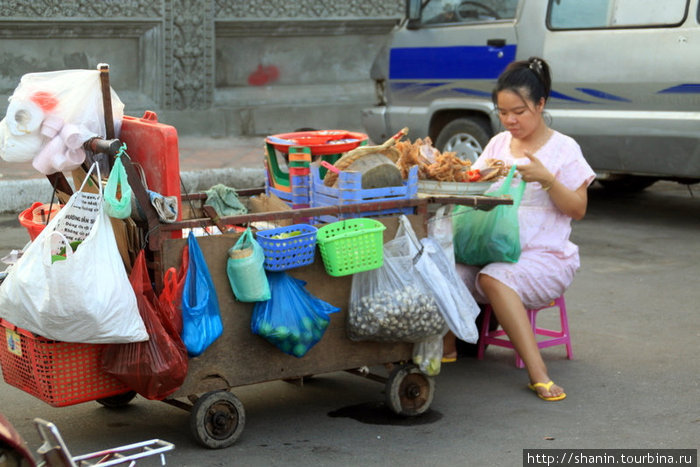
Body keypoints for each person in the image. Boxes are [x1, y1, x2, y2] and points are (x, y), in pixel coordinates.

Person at [443, 57, 596, 401]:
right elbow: (472, 188)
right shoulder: (498, 144)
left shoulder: (564, 148)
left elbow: (579, 209)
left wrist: (548, 179)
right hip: (491, 250)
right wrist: (472, 177)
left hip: (544, 259)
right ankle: (446, 345)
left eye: (519, 112)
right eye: (503, 112)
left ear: (541, 104)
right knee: (442, 266)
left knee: (494, 278)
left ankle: (538, 372)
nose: (510, 120)